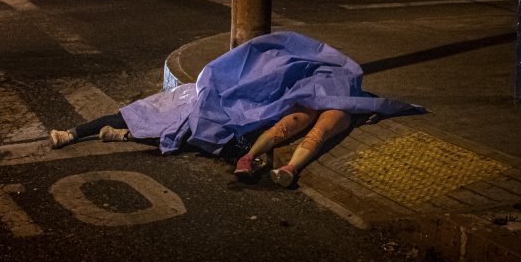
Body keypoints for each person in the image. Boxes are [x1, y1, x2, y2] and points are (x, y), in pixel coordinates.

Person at [49, 32, 420, 189]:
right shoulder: (315, 84)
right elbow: (269, 67)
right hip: (206, 94)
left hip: (280, 106)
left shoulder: (334, 91)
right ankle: (76, 132)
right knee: (143, 112)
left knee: (216, 139)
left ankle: (281, 167)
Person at [233, 108, 352, 188]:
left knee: (319, 132)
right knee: (285, 125)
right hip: (313, 93)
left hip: (339, 102)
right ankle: (248, 158)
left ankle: (290, 168)